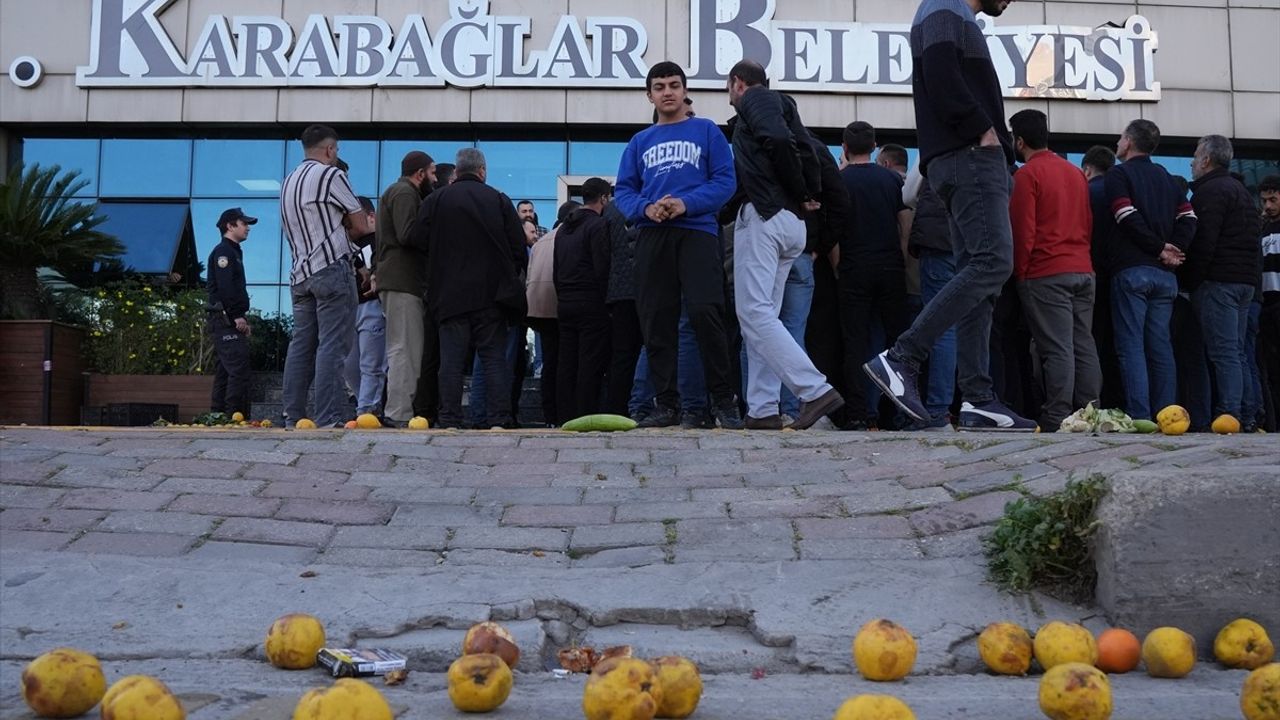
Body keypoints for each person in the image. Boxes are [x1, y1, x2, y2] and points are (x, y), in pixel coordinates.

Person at [865, 0, 1038, 432]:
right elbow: (942, 75)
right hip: (970, 156)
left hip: (966, 159)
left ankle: (978, 399)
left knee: (981, 280)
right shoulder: (945, 8)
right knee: (992, 263)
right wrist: (983, 131)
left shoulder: (948, 13)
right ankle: (902, 357)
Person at [613, 60, 743, 429]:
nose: (667, 91)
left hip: (698, 232)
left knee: (706, 314)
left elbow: (724, 182)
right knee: (657, 321)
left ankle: (722, 401)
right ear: (649, 95)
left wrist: (687, 203)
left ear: (685, 91)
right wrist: (645, 208)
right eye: (659, 86)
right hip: (653, 234)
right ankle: (667, 404)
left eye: (673, 84)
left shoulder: (706, 131)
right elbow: (623, 190)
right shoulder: (639, 142)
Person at [725, 59, 843, 430]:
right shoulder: (788, 110)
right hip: (789, 223)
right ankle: (762, 409)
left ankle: (814, 390)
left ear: (737, 83)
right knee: (764, 319)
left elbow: (777, 142)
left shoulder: (756, 99)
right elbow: (806, 152)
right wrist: (805, 192)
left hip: (766, 218)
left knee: (754, 314)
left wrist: (798, 190)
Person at [414, 148, 527, 428]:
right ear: (482, 171)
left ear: (456, 170)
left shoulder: (436, 200)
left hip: (449, 294)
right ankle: (499, 417)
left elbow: (417, 239)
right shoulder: (499, 200)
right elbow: (518, 249)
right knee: (493, 359)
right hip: (491, 295)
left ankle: (450, 417)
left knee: (450, 361)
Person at [1006, 109, 1102, 430]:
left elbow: (1024, 231)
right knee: (1083, 344)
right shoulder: (1075, 173)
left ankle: (1057, 415)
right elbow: (1087, 224)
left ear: (1019, 141)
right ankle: (1090, 412)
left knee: (1057, 348)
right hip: (1082, 270)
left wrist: (1020, 273)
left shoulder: (1027, 176)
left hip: (1046, 272)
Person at [1103, 119, 1197, 421]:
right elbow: (1189, 217)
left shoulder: (1119, 174)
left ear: (1129, 141)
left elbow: (1124, 215)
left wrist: (1160, 248)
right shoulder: (1167, 177)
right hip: (1164, 276)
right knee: (1160, 348)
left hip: (1133, 270)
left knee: (1131, 347)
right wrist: (1173, 249)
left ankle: (1141, 417)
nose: (1117, 143)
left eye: (1120, 138)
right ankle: (1168, 416)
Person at [280, 125, 371, 428]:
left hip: (299, 274)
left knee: (301, 345)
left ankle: (292, 415)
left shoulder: (288, 181)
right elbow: (360, 224)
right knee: (333, 345)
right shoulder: (331, 175)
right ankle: (328, 417)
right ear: (330, 150)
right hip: (331, 267)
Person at [836, 121, 911, 430]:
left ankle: (857, 412)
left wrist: (838, 267)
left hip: (854, 268)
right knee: (897, 343)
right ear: (875, 147)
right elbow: (904, 221)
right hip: (890, 267)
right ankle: (899, 412)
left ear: (844, 148)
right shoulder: (891, 179)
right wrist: (902, 258)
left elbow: (835, 232)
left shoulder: (839, 181)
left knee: (854, 342)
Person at [1184, 135, 1262, 426]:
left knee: (1224, 353)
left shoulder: (1210, 192)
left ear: (1206, 160)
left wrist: (1192, 281)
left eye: (1195, 155)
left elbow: (1204, 243)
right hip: (1244, 283)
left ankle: (1230, 415)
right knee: (1237, 352)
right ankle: (1248, 414)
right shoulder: (1240, 191)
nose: (1191, 162)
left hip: (1219, 282)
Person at [376, 151, 436, 427]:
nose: (435, 179)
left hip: (399, 281)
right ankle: (398, 413)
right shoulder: (404, 192)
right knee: (405, 349)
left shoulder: (397, 191)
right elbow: (407, 234)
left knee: (403, 347)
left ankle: (397, 410)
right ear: (420, 173)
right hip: (403, 282)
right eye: (433, 173)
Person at [554, 178, 614, 420]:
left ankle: (564, 416)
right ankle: (584, 414)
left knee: (566, 362)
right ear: (603, 198)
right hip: (590, 302)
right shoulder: (598, 226)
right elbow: (602, 267)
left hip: (565, 302)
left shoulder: (563, 230)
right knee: (589, 363)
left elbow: (556, 269)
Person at [527, 201, 579, 426]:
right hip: (562, 304)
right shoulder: (573, 237)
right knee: (567, 361)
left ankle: (549, 415)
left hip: (539, 306)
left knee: (549, 361)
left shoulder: (541, 241)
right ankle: (565, 412)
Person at [1081, 145, 1124, 411]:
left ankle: (1094, 403)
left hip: (1092, 275)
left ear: (1086, 169)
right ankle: (1122, 402)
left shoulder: (1087, 193)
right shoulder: (1122, 192)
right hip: (1119, 274)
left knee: (1092, 342)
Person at [411, 165, 454, 422]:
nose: (433, 178)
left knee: (430, 354)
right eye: (433, 173)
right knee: (443, 353)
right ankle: (436, 410)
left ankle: (427, 409)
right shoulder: (440, 205)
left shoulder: (429, 204)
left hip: (431, 287)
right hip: (442, 287)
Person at [206, 207, 256, 419]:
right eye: (243, 224)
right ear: (230, 226)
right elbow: (226, 288)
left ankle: (219, 415)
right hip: (225, 319)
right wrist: (236, 316)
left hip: (228, 319)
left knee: (226, 371)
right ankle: (233, 415)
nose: (247, 228)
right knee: (238, 368)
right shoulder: (224, 252)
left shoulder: (232, 252)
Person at [343, 196, 386, 418]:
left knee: (371, 362)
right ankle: (364, 404)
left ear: (370, 216)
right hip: (350, 308)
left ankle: (367, 409)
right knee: (350, 365)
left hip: (372, 306)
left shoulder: (382, 240)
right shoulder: (347, 244)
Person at [1258, 175, 1280, 432]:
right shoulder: (1261, 228)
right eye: (1264, 200)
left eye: (1273, 199)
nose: (1268, 206)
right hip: (1267, 303)